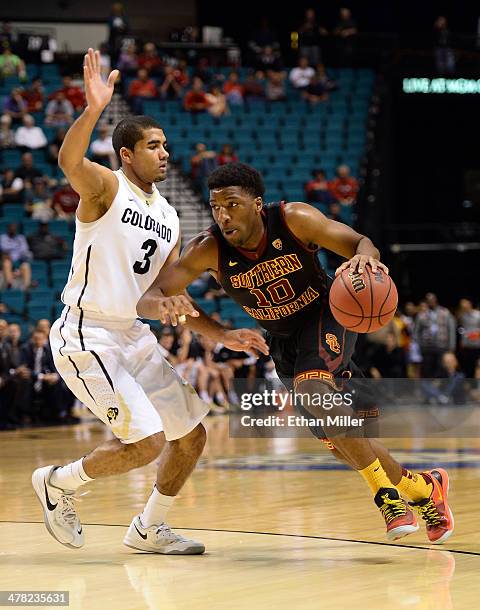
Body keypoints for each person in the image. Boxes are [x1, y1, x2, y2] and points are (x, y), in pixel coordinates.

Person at [142, 162, 454, 545]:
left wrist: (363, 258)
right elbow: (151, 297)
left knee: (314, 388)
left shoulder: (295, 219)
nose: (223, 215)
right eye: (215, 207)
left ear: (257, 204)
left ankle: (386, 497)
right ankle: (425, 489)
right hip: (282, 341)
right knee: (342, 444)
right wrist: (214, 330)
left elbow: (360, 242)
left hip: (326, 317)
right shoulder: (207, 249)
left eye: (232, 204)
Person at [31, 49, 267, 555]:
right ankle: (58, 482)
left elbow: (165, 294)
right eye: (154, 146)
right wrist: (94, 108)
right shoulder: (106, 189)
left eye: (165, 145)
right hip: (87, 333)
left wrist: (220, 333)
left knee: (192, 436)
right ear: (126, 154)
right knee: (148, 442)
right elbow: (68, 161)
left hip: (133, 336)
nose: (165, 153)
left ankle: (149, 529)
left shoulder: (171, 217)